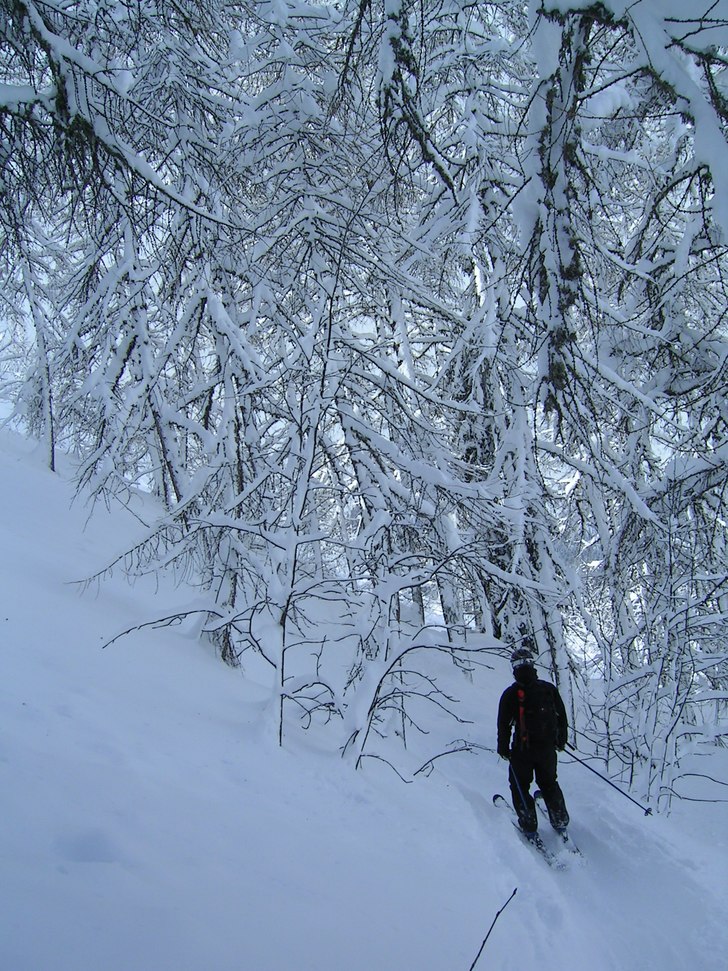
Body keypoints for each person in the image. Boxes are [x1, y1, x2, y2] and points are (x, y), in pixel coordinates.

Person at [497, 646, 570, 837]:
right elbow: (562, 717)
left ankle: (528, 823)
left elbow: (503, 724)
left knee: (520, 784)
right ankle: (560, 818)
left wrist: (503, 748)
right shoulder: (548, 689)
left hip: (523, 750)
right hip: (547, 748)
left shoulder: (510, 694)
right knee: (549, 782)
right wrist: (561, 740)